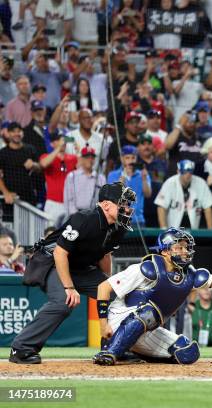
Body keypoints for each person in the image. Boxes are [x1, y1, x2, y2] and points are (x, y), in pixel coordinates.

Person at [9, 183, 136, 364]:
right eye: (124, 204)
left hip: (81, 268)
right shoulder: (84, 218)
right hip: (51, 262)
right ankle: (21, 349)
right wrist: (69, 287)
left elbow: (105, 256)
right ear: (106, 205)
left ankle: (114, 347)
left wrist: (107, 284)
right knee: (63, 301)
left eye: (129, 205)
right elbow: (60, 252)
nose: (128, 209)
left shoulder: (119, 227)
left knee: (118, 295)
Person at [92, 229, 212, 365]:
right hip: (118, 319)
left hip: (147, 327)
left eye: (186, 247)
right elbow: (103, 288)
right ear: (165, 251)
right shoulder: (148, 268)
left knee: (188, 352)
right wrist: (103, 325)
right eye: (179, 247)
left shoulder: (189, 275)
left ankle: (127, 349)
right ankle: (110, 351)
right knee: (149, 312)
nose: (185, 251)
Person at [155, 159, 212, 229]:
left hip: (192, 226)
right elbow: (161, 207)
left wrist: (210, 228)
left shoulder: (201, 183)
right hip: (173, 227)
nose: (188, 175)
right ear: (178, 171)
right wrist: (163, 228)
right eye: (185, 172)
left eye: (190, 172)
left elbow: (208, 207)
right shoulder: (170, 183)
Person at [39, 131, 78, 227]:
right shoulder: (46, 156)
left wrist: (78, 148)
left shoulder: (72, 158)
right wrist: (58, 148)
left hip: (69, 203)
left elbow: (83, 168)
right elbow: (43, 164)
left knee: (68, 235)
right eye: (59, 140)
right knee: (50, 233)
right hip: (53, 203)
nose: (62, 142)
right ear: (52, 143)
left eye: (64, 139)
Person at [107, 146, 152, 227]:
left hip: (138, 220)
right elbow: (111, 198)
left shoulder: (143, 174)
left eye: (133, 158)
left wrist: (144, 179)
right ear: (121, 159)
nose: (131, 161)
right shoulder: (113, 175)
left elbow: (148, 195)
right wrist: (120, 183)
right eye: (127, 158)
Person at [63, 146, 106, 217]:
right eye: (87, 157)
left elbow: (103, 200)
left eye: (92, 158)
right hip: (75, 215)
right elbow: (68, 199)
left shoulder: (101, 178)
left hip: (94, 216)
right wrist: (76, 216)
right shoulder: (72, 176)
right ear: (81, 159)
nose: (90, 160)